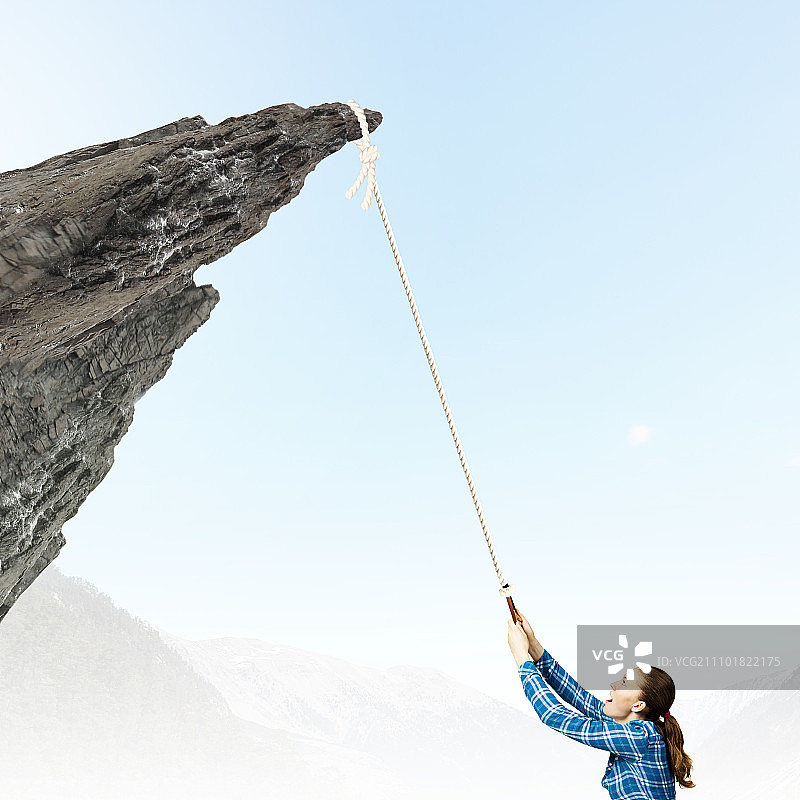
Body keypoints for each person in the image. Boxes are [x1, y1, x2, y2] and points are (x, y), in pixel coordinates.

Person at [507, 612, 695, 799]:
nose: (613, 685)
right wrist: (534, 647)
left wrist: (522, 659)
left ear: (638, 705)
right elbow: (579, 696)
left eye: (623, 684)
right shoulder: (636, 728)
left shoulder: (639, 737)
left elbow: (555, 715)